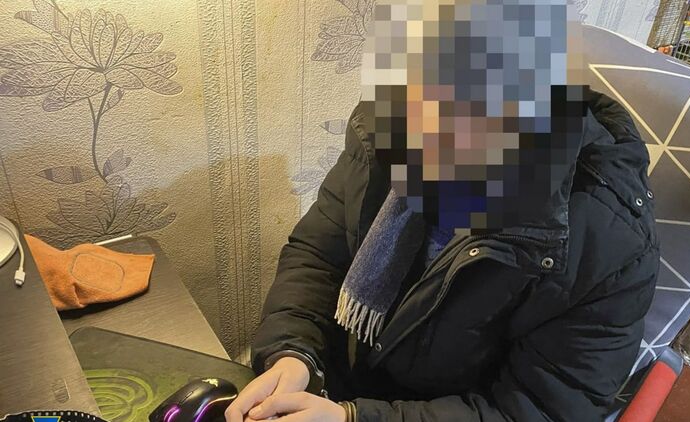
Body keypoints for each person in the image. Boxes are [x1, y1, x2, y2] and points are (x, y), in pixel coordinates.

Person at [226, 1, 658, 421]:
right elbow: (319, 255)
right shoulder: (388, 125)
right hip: (335, 388)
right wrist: (293, 353)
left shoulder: (610, 247)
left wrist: (353, 417)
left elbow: (536, 409)